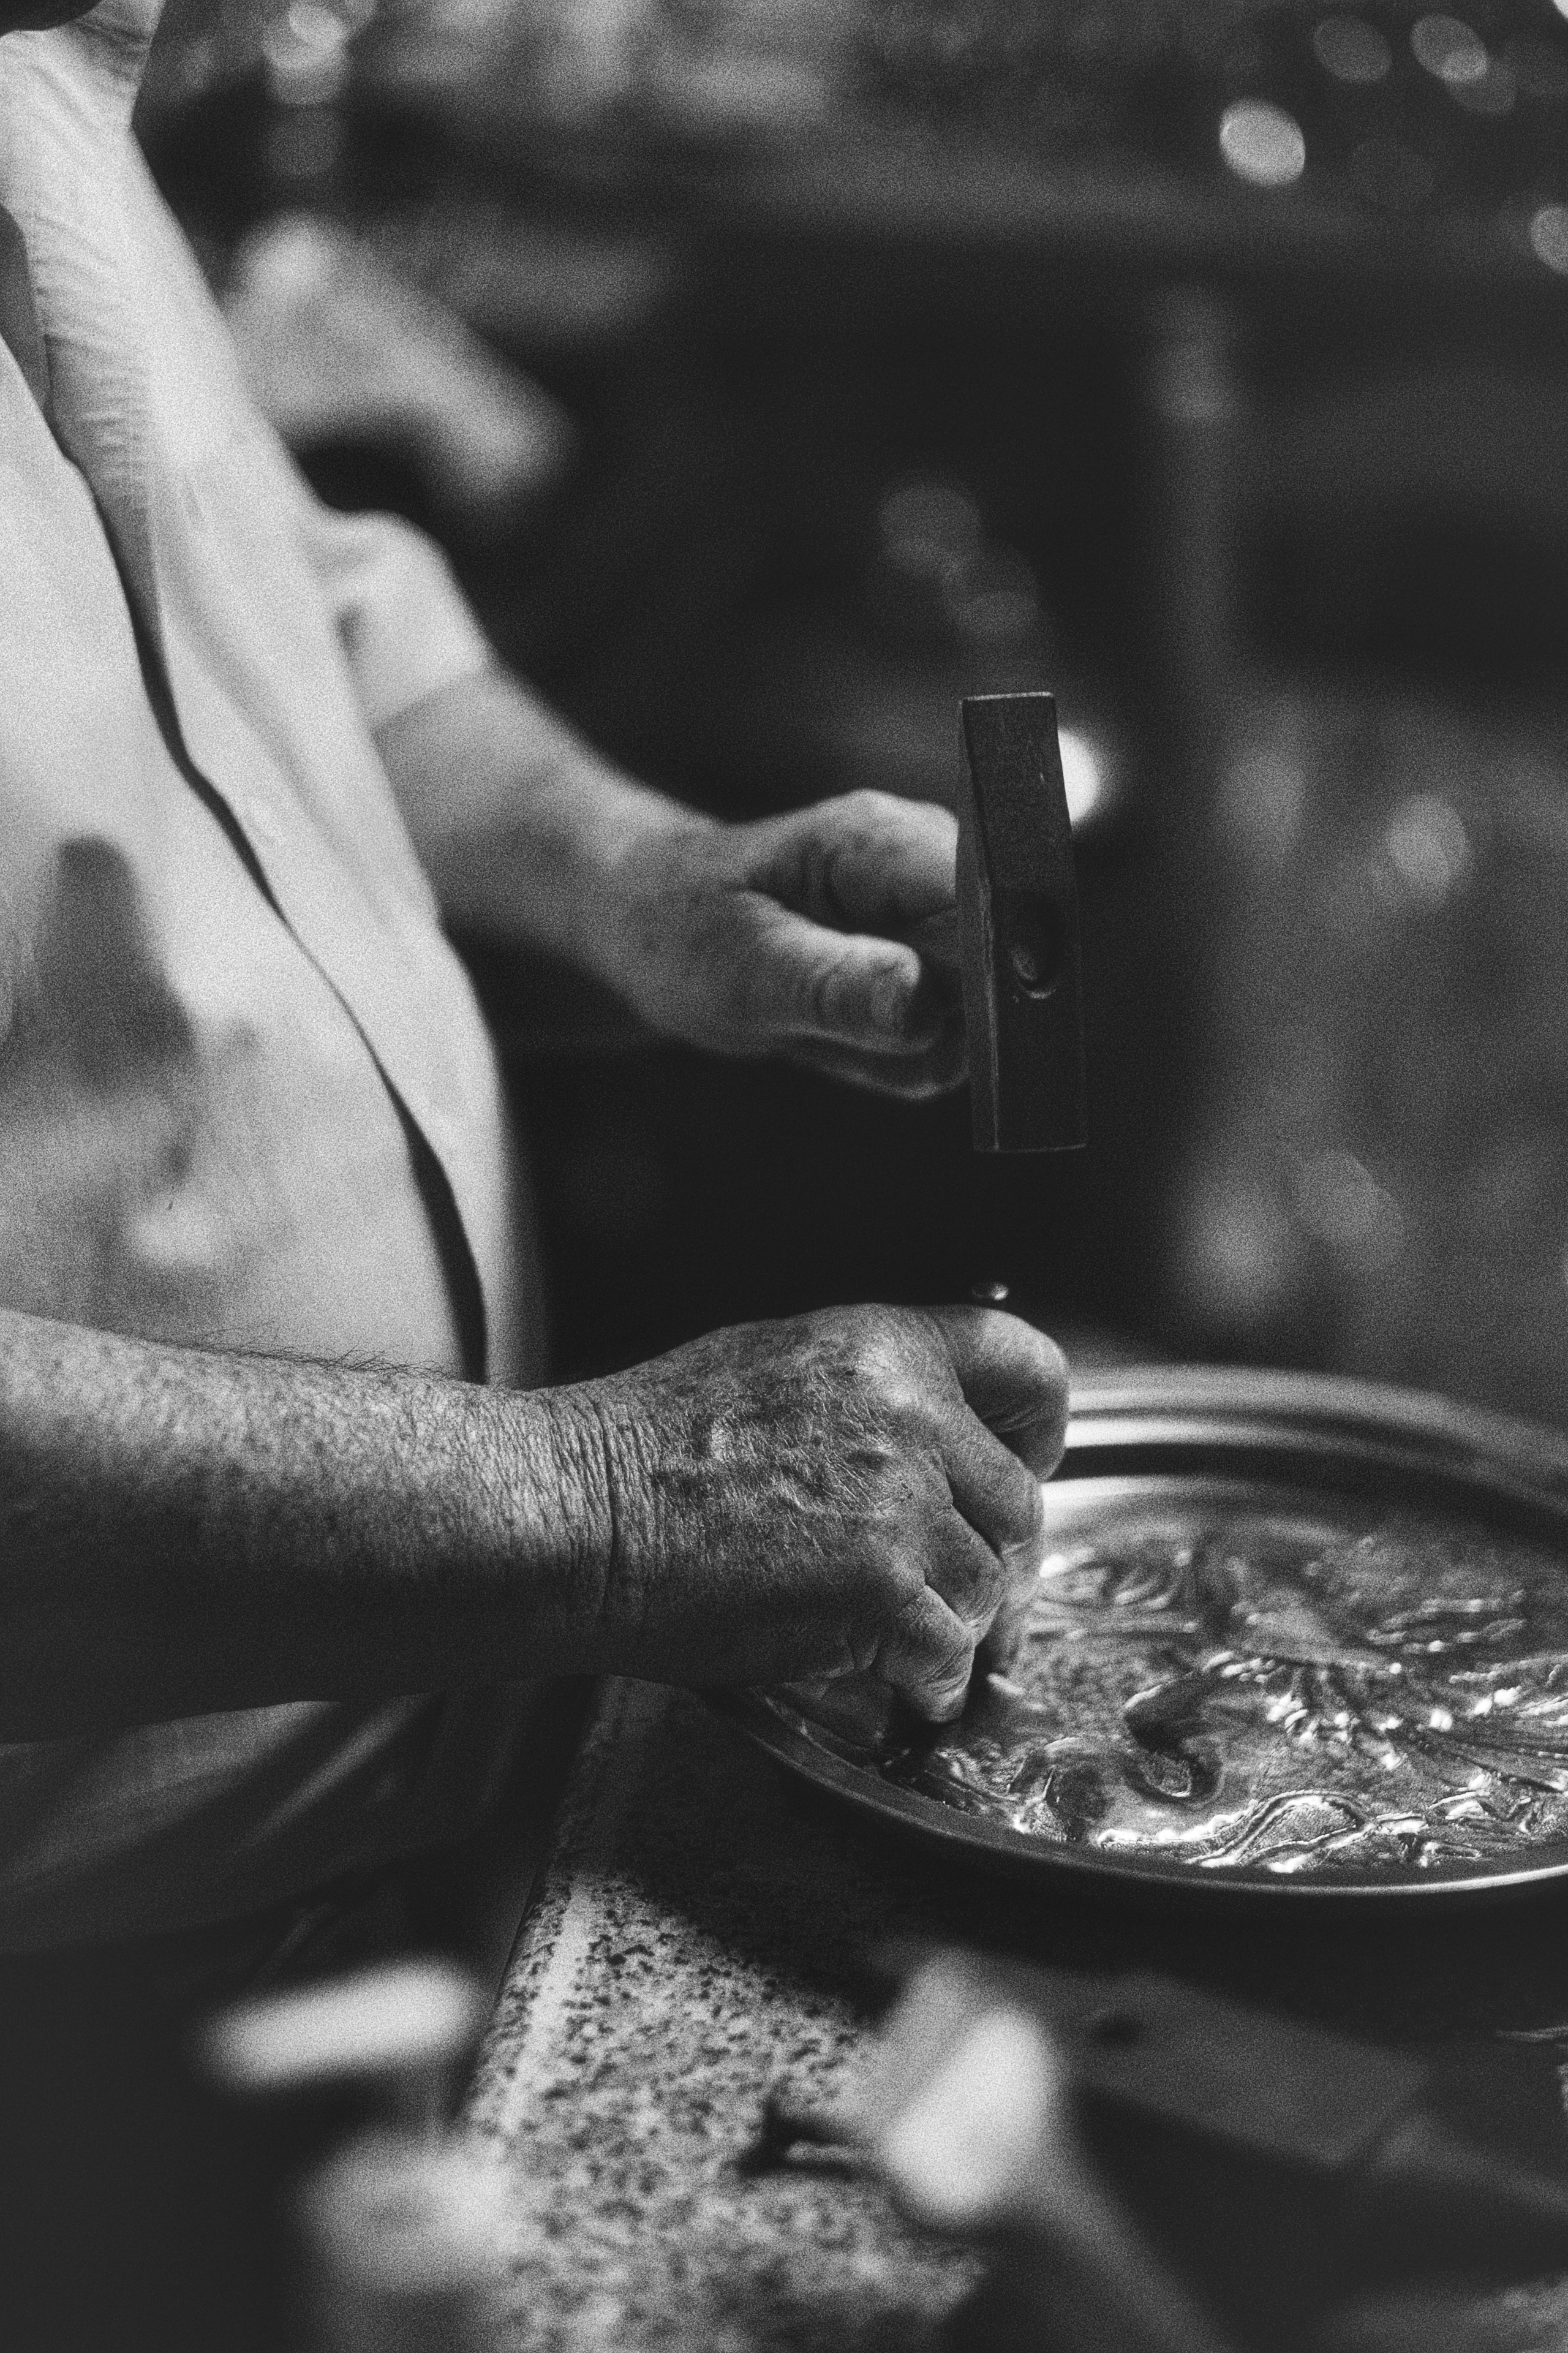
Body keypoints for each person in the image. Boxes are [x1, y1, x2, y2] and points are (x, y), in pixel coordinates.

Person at [0, 0, 1068, 1966]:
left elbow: (312, 616)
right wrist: (602, 1500)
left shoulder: (34, 80)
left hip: (424, 1831)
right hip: (72, 2013)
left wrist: (635, 877)